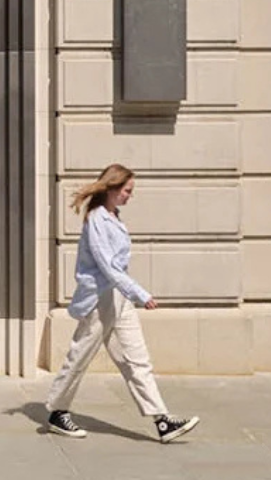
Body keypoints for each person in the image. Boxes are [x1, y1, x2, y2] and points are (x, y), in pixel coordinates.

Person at [43, 163, 200, 443]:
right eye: (127, 190)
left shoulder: (113, 216)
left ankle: (162, 420)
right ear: (112, 189)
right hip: (99, 298)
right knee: (80, 356)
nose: (130, 195)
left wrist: (130, 294)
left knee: (136, 359)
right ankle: (57, 412)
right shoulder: (96, 220)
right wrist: (141, 294)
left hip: (119, 296)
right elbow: (107, 266)